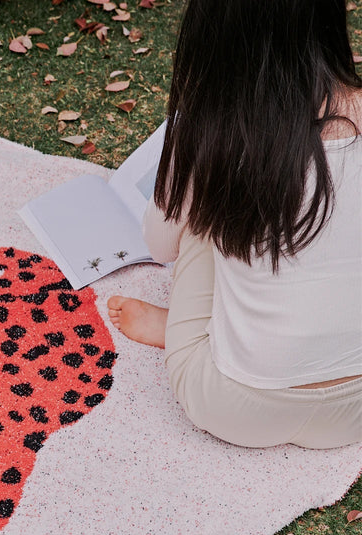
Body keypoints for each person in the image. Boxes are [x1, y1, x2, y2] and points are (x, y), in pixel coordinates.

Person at [106, 0, 362, 448]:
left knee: (205, 221)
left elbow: (161, 245)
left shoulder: (212, 130)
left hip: (234, 405)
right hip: (356, 412)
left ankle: (188, 328)